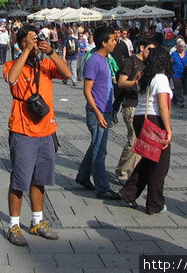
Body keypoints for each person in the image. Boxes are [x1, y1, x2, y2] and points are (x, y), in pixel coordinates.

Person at [3, 25, 71, 246]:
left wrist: (50, 51)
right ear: (20, 42)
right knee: (19, 180)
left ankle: (37, 221)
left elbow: (67, 74)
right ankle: (13, 224)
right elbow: (11, 79)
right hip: (22, 130)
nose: (33, 46)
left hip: (46, 130)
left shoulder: (46, 63)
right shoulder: (13, 64)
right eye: (28, 41)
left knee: (40, 179)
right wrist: (26, 50)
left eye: (35, 41)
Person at [118, 47, 174, 214]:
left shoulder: (145, 75)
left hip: (140, 117)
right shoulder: (161, 78)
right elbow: (163, 106)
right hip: (154, 119)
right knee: (160, 165)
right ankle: (154, 204)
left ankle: (128, 193)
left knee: (149, 159)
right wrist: (169, 129)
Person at [75, 26, 123, 200]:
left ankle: (82, 176)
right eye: (112, 40)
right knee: (100, 151)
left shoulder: (105, 59)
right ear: (104, 42)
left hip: (105, 110)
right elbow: (87, 90)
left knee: (95, 146)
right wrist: (98, 113)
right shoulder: (94, 60)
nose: (115, 42)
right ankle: (102, 187)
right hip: (98, 112)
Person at [115, 39, 156, 184]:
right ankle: (123, 172)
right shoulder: (131, 61)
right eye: (149, 49)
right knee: (134, 140)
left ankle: (128, 170)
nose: (151, 53)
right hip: (130, 104)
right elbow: (121, 82)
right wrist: (136, 82)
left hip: (143, 106)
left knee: (140, 140)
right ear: (142, 47)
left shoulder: (150, 64)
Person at [170, 39, 187, 107]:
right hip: (175, 73)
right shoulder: (174, 54)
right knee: (178, 87)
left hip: (184, 73)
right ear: (177, 47)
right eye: (180, 47)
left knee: (181, 87)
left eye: (183, 47)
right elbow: (170, 62)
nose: (182, 48)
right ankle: (181, 101)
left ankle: (174, 100)